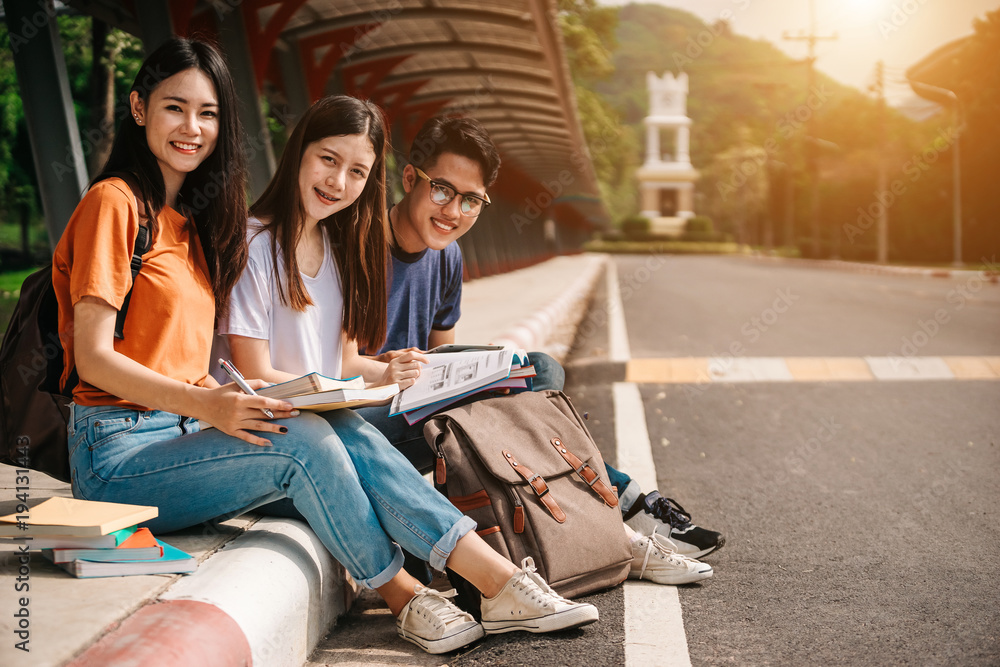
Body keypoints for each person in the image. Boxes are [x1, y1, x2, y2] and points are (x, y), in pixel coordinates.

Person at [54, 41, 597, 657]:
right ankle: (423, 591)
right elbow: (95, 359)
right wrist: (210, 405)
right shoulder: (114, 204)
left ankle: (483, 580)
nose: (192, 128)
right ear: (137, 108)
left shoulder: (193, 222)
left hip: (181, 432)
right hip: (117, 452)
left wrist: (378, 372)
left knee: (335, 423)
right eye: (175, 108)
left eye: (207, 114)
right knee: (311, 436)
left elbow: (192, 355)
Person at [354, 116, 723, 568]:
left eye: (471, 200)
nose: (452, 211)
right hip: (364, 424)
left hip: (416, 411)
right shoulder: (357, 245)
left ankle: (613, 520)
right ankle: (627, 510)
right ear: (410, 178)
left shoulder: (447, 255)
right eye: (441, 190)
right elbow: (329, 364)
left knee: (538, 371)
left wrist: (479, 373)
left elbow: (440, 359)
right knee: (535, 388)